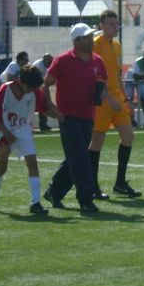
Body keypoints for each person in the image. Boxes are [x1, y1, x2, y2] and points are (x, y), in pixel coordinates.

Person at [42, 23, 107, 213]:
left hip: (88, 115)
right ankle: (85, 199)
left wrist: (102, 93)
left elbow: (103, 83)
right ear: (76, 41)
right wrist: (51, 108)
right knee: (81, 158)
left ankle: (54, 191)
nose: (91, 40)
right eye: (86, 37)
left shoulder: (98, 61)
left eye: (91, 36)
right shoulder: (63, 60)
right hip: (67, 116)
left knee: (76, 156)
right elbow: (46, 84)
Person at [0, 65, 51, 215]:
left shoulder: (33, 91)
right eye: (29, 88)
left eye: (33, 88)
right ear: (21, 82)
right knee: (2, 167)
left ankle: (35, 203)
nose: (31, 91)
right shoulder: (5, 89)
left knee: (33, 164)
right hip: (4, 131)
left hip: (24, 130)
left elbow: (44, 108)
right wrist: (6, 133)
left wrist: (59, 114)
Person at [89, 10, 142, 199]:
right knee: (97, 141)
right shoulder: (95, 45)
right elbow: (94, 76)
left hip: (117, 98)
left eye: (116, 23)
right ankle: (93, 187)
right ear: (101, 25)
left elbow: (117, 75)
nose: (115, 27)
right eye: (111, 24)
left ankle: (120, 183)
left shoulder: (117, 46)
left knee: (128, 136)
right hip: (102, 100)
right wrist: (106, 97)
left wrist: (126, 99)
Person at [32, 54, 54, 131]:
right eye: (50, 61)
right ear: (46, 60)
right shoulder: (38, 65)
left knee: (43, 105)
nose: (51, 63)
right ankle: (30, 124)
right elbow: (35, 79)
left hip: (40, 87)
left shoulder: (48, 66)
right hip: (32, 87)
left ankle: (43, 124)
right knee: (32, 106)